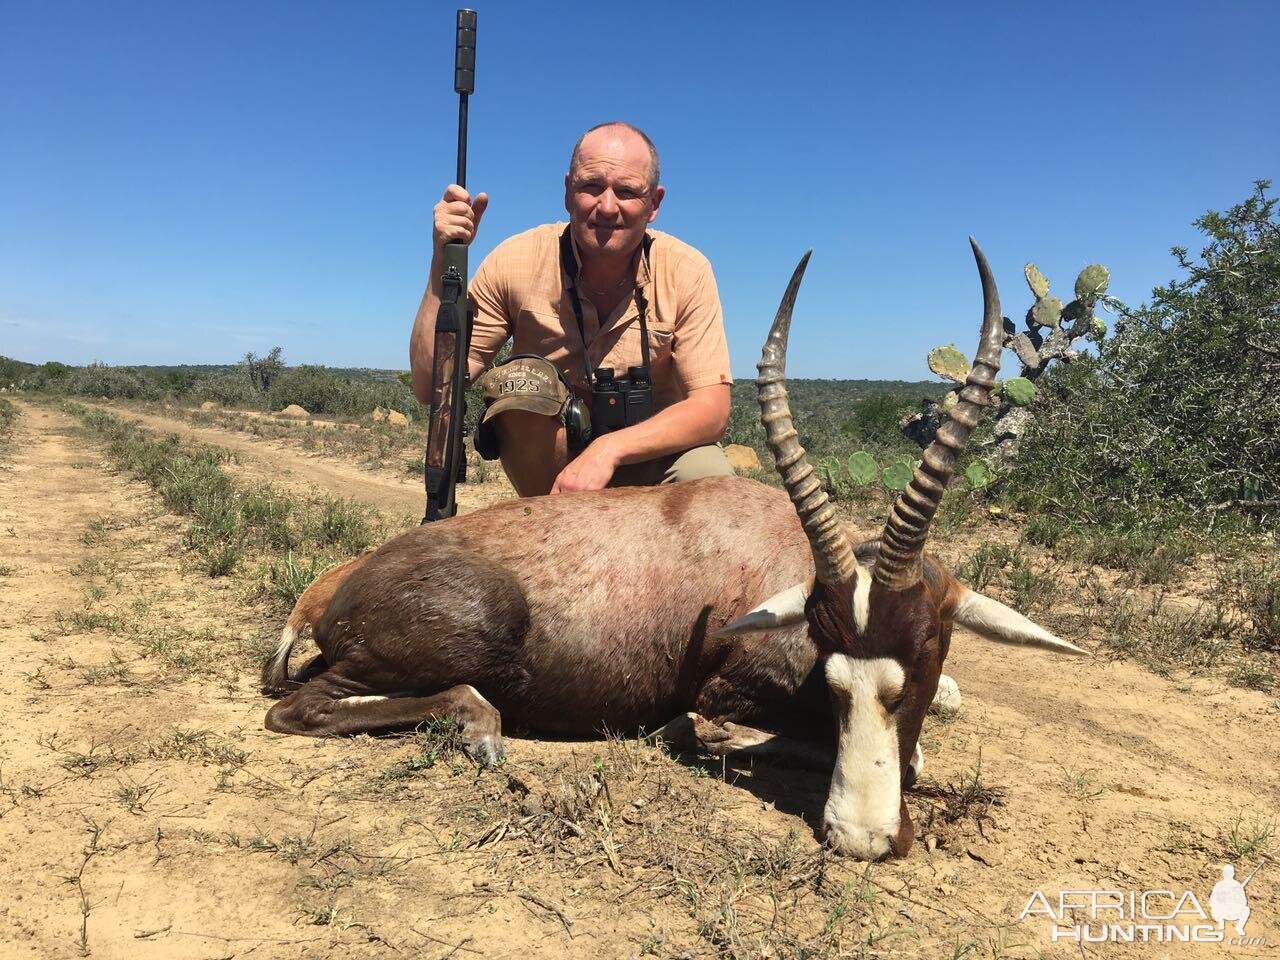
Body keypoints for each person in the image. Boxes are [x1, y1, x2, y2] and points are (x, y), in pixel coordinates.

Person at [410, 121, 735, 497]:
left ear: (654, 204)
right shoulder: (515, 261)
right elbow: (430, 385)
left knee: (712, 478)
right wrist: (442, 261)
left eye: (627, 191)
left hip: (651, 456)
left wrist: (609, 449)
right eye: (591, 186)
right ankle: (544, 536)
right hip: (553, 476)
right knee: (524, 387)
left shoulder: (687, 271)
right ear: (568, 191)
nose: (607, 206)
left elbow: (712, 409)